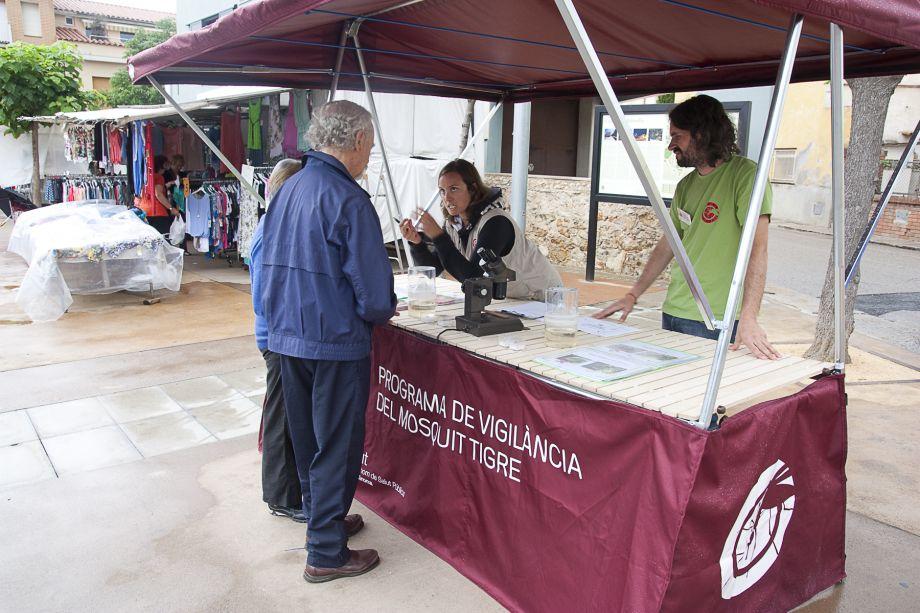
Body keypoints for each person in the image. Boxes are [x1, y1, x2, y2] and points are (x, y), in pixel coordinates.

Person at [261, 100, 396, 583]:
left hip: (288, 338)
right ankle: (325, 552)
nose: (369, 156)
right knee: (335, 446)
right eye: (371, 146)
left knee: (310, 442)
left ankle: (325, 524)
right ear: (357, 141)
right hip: (334, 342)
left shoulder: (289, 187)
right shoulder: (349, 200)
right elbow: (376, 299)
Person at [593, 95, 780, 360]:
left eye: (677, 136)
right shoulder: (686, 186)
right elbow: (668, 244)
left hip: (715, 317)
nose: (671, 145)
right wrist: (633, 294)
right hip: (674, 311)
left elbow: (757, 251)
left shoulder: (746, 176)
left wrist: (749, 316)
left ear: (701, 135)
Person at [399, 159, 561, 299]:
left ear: (473, 188)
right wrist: (417, 243)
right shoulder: (454, 224)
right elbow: (434, 268)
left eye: (454, 189)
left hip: (542, 297)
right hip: (514, 298)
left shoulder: (496, 222)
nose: (446, 198)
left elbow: (473, 277)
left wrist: (439, 236)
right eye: (442, 191)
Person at [248, 158, 304, 522]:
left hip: (288, 337)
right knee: (282, 418)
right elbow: (263, 297)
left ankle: (293, 492)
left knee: (289, 415)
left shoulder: (283, 227)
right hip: (279, 340)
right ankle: (282, 497)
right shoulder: (272, 234)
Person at [146, 155, 181, 235]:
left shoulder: (145, 177)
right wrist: (171, 208)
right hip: (158, 213)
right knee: (163, 241)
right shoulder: (159, 177)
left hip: (145, 212)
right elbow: (158, 194)